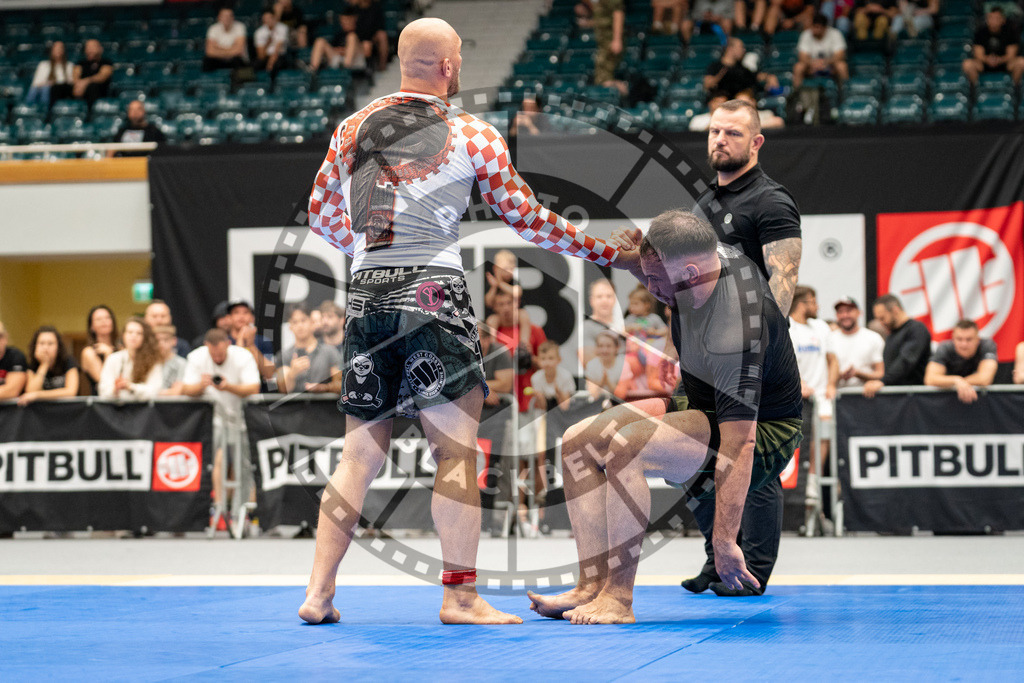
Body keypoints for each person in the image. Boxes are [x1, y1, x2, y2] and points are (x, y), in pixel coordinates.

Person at [302, 17, 630, 626]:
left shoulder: (349, 130)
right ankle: (458, 596)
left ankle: (317, 595)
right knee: (453, 451)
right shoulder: (470, 132)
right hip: (431, 294)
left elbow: (321, 216)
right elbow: (528, 219)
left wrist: (376, 255)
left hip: (365, 294)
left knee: (357, 456)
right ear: (449, 67)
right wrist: (607, 251)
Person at [528, 210, 802, 624]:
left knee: (627, 447)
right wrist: (555, 234)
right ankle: (590, 586)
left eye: (656, 281)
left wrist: (725, 540)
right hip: (699, 400)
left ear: (690, 273)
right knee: (578, 441)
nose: (650, 290)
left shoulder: (737, 327)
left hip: (764, 431)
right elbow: (632, 260)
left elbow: (740, 442)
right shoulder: (696, 257)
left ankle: (618, 600)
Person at [682, 98, 801, 597]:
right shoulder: (703, 204)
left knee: (753, 460)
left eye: (732, 133)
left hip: (751, 357)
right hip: (704, 356)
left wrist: (753, 353)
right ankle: (716, 557)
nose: (719, 140)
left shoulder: (770, 202)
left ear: (756, 142)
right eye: (714, 132)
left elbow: (784, 282)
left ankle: (752, 568)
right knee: (694, 455)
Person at [181, 328, 261, 517]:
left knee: (245, 465)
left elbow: (254, 387)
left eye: (220, 353)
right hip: (214, 420)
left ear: (228, 344)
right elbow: (185, 388)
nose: (217, 357)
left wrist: (228, 387)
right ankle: (217, 508)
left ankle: (242, 513)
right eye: (213, 353)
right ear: (206, 347)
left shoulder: (242, 357)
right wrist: (201, 386)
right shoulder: (196, 357)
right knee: (214, 461)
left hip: (241, 419)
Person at [788, 285, 837, 506]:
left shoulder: (821, 327)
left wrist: (832, 384)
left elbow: (833, 360)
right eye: (813, 301)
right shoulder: (787, 328)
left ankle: (813, 482)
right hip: (795, 398)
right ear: (802, 304)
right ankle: (798, 485)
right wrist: (799, 383)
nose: (817, 306)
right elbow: (783, 364)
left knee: (824, 430)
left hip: (821, 397)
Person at [862, 293, 931, 397]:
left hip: (915, 398)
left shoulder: (917, 329)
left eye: (882, 318)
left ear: (895, 310)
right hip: (897, 398)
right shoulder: (891, 335)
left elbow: (906, 360)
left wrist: (883, 382)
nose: (881, 323)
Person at [490, 290, 547, 412]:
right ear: (494, 307)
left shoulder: (535, 331)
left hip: (530, 398)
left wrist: (529, 358)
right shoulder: (490, 336)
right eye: (501, 304)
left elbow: (548, 367)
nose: (506, 308)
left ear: (517, 303)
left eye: (509, 303)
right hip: (502, 403)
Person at [924, 320, 998, 404]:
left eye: (969, 339)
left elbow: (985, 378)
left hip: (981, 401)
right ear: (953, 339)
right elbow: (930, 379)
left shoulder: (987, 345)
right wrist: (956, 380)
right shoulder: (944, 347)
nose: (964, 344)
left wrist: (961, 383)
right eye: (959, 339)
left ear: (977, 340)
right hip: (948, 402)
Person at [280, 303, 342, 393]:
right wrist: (292, 374)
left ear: (311, 322)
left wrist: (324, 387)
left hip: (323, 406)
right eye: (295, 322)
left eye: (303, 320)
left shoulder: (329, 351)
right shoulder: (284, 355)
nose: (300, 326)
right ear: (290, 326)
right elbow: (282, 389)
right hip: (294, 406)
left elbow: (342, 384)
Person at [98, 317, 164, 400]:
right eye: (130, 332)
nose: (134, 336)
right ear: (123, 335)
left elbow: (155, 391)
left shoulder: (153, 360)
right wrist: (116, 388)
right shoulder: (113, 359)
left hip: (144, 410)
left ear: (145, 337)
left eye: (139, 333)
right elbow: (103, 392)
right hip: (117, 409)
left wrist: (130, 387)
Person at [829, 296, 884, 389]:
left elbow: (880, 373)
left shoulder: (873, 338)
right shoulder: (829, 339)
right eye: (840, 312)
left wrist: (858, 374)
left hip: (866, 397)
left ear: (859, 312)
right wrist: (837, 375)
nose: (844, 315)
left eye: (849, 311)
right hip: (835, 397)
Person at [962, 7, 1024, 87]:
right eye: (991, 18)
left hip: (1005, 63)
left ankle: (1014, 89)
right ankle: (976, 90)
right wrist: (988, 59)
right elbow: (978, 54)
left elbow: (1011, 55)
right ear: (987, 19)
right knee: (967, 64)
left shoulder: (1010, 32)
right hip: (985, 64)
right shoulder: (980, 32)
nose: (994, 21)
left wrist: (999, 60)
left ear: (1003, 20)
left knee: (1021, 62)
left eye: (997, 18)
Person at [704, 38, 780, 102]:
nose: (743, 50)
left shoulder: (742, 68)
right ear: (730, 48)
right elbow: (707, 84)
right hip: (721, 103)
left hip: (739, 103)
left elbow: (756, 76)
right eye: (741, 47)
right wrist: (717, 78)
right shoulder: (715, 66)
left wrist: (770, 77)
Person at [18, 326, 80, 406]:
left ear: (58, 347)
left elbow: (71, 392)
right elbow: (31, 391)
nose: (46, 348)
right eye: (41, 343)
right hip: (41, 413)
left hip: (67, 410)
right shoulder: (32, 364)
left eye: (50, 343)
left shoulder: (68, 361)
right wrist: (44, 365)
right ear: (35, 346)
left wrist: (38, 395)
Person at [792, 13, 849, 90]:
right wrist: (813, 63)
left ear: (825, 28)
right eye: (813, 27)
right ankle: (797, 95)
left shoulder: (835, 34)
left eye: (817, 27)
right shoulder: (806, 34)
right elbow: (802, 56)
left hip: (830, 66)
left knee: (842, 66)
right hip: (811, 66)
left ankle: (844, 93)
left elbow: (840, 55)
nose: (814, 30)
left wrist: (825, 63)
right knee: (798, 67)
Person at [580, 279, 625, 365]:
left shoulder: (625, 324)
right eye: (599, 297)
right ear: (591, 300)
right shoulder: (585, 328)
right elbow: (589, 363)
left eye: (609, 296)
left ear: (615, 299)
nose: (604, 301)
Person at [80, 305, 122, 395]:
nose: (104, 321)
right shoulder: (89, 352)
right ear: (91, 326)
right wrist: (108, 354)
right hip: (101, 404)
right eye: (98, 319)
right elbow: (105, 382)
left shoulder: (121, 348)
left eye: (107, 318)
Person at [25, 41, 73, 109]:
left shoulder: (69, 65)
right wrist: (47, 83)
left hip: (60, 91)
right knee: (35, 89)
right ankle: (28, 109)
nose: (58, 51)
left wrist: (53, 83)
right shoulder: (43, 65)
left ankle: (45, 111)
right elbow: (35, 84)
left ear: (64, 51)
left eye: (60, 48)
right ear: (51, 51)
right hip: (41, 89)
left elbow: (70, 82)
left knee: (46, 89)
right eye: (55, 48)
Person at [530, 340, 576, 412]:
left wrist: (558, 393)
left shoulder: (566, 376)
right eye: (543, 359)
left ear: (559, 360)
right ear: (538, 360)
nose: (547, 362)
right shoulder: (535, 378)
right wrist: (539, 396)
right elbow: (542, 408)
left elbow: (566, 406)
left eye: (551, 358)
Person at [593, 0, 626, 92]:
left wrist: (617, 39)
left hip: (610, 40)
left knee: (603, 79)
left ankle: (621, 93)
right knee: (602, 78)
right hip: (603, 40)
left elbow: (618, 13)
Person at [204, 7, 249, 72]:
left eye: (229, 16)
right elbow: (209, 51)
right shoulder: (213, 29)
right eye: (224, 16)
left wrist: (218, 48)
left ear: (233, 17)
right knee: (207, 60)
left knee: (237, 60)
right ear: (219, 17)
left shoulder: (240, 27)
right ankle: (207, 81)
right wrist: (231, 49)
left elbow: (239, 50)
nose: (227, 18)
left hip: (236, 60)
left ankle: (238, 81)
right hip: (219, 60)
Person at [72, 39, 113, 107]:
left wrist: (85, 82)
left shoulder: (106, 62)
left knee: (92, 87)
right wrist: (78, 86)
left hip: (100, 91)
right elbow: (75, 77)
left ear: (100, 49)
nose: (90, 49)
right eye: (88, 47)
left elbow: (102, 77)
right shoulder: (80, 63)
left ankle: (91, 113)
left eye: (93, 47)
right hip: (81, 91)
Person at [254, 9, 290, 74]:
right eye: (265, 18)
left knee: (276, 65)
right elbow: (261, 55)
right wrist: (268, 43)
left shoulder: (283, 28)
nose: (268, 20)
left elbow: (278, 48)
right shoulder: (259, 32)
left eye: (270, 18)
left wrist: (270, 63)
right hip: (266, 56)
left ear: (274, 17)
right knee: (255, 65)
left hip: (280, 56)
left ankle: (273, 83)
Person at [155, 325, 187, 395]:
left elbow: (179, 390)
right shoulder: (148, 362)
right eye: (157, 340)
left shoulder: (182, 364)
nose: (161, 343)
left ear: (174, 341)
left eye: (165, 340)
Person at [0, 320, 28, 400]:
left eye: (0, 336)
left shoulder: (15, 356)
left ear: (6, 338)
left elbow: (12, 391)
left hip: (10, 409)